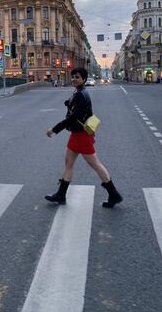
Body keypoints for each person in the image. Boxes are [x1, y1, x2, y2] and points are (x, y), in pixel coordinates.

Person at [45, 67, 123, 208]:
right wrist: (68, 104)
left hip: (81, 135)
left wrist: (54, 130)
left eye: (77, 77)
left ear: (84, 79)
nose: (74, 79)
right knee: (69, 163)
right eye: (73, 76)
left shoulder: (81, 94)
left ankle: (114, 194)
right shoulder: (79, 92)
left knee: (95, 165)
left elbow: (73, 117)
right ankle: (61, 194)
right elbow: (77, 110)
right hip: (77, 134)